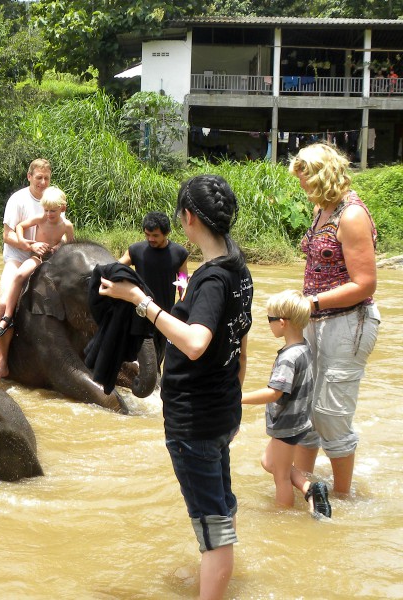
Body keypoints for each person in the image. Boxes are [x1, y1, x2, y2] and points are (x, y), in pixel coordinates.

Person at [98, 175, 252, 600]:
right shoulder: (239, 269)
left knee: (212, 527)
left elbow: (197, 342)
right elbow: (240, 344)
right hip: (221, 412)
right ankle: (223, 584)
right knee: (223, 508)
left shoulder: (212, 280)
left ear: (187, 218)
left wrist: (141, 304)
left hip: (196, 421)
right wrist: (234, 405)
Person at [289, 143, 380, 497]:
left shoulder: (351, 215)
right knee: (305, 404)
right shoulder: (322, 209)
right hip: (317, 318)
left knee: (329, 413)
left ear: (324, 173)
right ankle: (304, 486)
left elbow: (365, 284)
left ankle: (344, 497)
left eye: (306, 178)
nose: (302, 186)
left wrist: (310, 302)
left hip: (349, 323)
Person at [241, 290, 331, 518]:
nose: (269, 325)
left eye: (269, 320)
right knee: (268, 461)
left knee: (280, 477)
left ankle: (283, 517)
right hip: (299, 420)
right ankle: (311, 489)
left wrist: (237, 398)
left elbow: (274, 393)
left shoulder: (288, 358)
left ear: (282, 323)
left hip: (287, 424)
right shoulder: (304, 347)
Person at [0, 158, 52, 384]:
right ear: (29, 177)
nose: (43, 183)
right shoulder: (18, 200)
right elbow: (7, 235)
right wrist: (30, 246)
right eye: (39, 178)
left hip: (45, 258)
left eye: (47, 178)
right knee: (4, 304)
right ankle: (2, 363)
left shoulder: (53, 198)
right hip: (18, 257)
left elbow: (62, 228)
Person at [0, 186, 74, 338]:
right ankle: (7, 316)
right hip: (38, 258)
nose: (49, 214)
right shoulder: (40, 218)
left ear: (62, 208)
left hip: (57, 261)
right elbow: (20, 226)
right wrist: (23, 240)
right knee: (18, 275)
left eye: (53, 211)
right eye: (46, 210)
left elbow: (70, 244)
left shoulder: (67, 225)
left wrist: (59, 246)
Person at [118, 211, 188, 370]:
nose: (151, 239)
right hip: (139, 313)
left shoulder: (179, 253)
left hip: (164, 316)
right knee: (140, 359)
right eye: (147, 234)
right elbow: (118, 268)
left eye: (155, 235)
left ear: (166, 233)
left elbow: (183, 281)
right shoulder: (136, 250)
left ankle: (151, 389)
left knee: (157, 360)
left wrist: (184, 296)